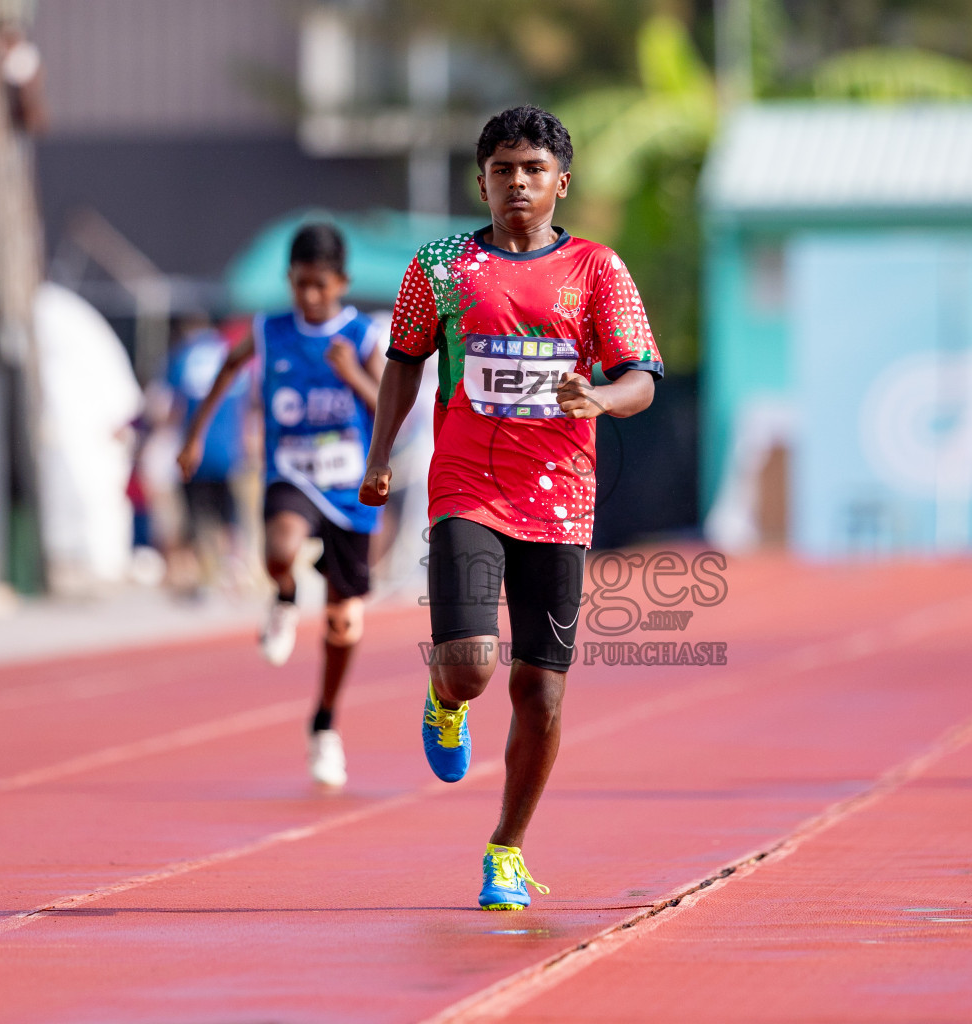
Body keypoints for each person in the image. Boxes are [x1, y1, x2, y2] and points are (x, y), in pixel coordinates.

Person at [359, 105, 663, 910]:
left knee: (543, 693)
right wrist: (381, 454)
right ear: (482, 180)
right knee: (470, 665)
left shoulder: (598, 269)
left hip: (561, 497)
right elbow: (403, 363)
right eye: (503, 170)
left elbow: (642, 378)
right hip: (466, 484)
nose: (518, 183)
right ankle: (444, 697)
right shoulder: (443, 264)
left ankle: (506, 850)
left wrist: (597, 397)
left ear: (562, 182)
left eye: (533, 170)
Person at [178, 224, 386, 788]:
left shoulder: (361, 336)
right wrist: (195, 436)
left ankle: (323, 723)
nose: (310, 297)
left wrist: (350, 375)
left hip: (350, 486)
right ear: (289, 282)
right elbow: (225, 369)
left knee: (344, 621)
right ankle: (286, 594)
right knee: (279, 548)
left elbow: (387, 404)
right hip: (291, 471)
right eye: (300, 285)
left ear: (341, 282)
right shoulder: (270, 331)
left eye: (320, 286)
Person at [162, 315, 251, 597]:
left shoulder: (181, 357)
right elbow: (249, 405)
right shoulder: (231, 352)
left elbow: (169, 406)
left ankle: (196, 575)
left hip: (194, 449)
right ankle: (233, 571)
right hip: (229, 450)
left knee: (193, 515)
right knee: (229, 515)